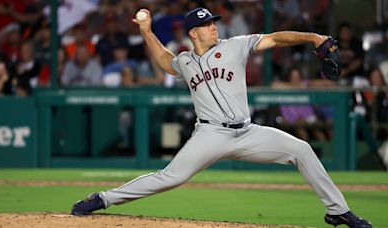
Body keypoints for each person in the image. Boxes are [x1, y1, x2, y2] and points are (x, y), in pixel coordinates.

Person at [71, 7, 372, 228]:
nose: (214, 27)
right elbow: (164, 60)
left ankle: (337, 211)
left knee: (301, 149)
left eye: (214, 22)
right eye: (207, 25)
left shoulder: (235, 46)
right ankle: (103, 198)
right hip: (210, 135)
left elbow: (276, 39)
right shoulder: (186, 61)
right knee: (170, 178)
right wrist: (147, 32)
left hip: (247, 132)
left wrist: (312, 37)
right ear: (193, 33)